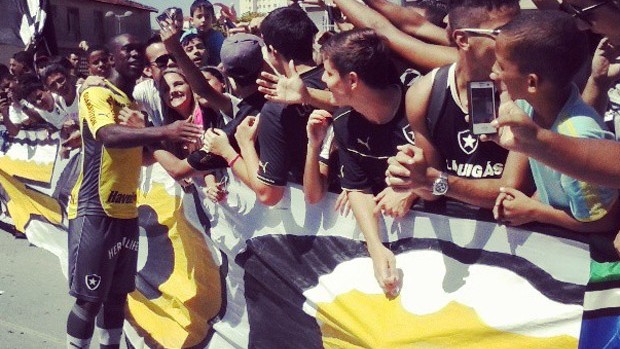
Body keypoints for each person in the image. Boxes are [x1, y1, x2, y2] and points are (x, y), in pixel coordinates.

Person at [65, 34, 203, 349]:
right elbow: (108, 136)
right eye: (126, 49)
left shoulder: (133, 104)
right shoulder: (96, 92)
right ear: (110, 58)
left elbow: (138, 154)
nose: (135, 54)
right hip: (95, 209)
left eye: (138, 50)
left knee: (116, 298)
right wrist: (164, 130)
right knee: (89, 300)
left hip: (127, 211)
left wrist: (163, 146)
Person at [386, 0, 530, 211]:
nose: (520, 40)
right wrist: (411, 178)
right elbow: (431, 192)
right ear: (462, 39)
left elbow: (510, 191)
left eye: (521, 28)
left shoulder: (528, 92)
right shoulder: (423, 94)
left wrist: (435, 181)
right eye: (503, 32)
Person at [490, 11, 619, 232]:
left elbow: (603, 221)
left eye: (501, 66)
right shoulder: (530, 106)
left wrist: (534, 211)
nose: (493, 72)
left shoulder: (577, 135)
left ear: (531, 82)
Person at [318, 28, 421, 295]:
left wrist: (412, 189)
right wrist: (375, 246)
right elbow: (358, 189)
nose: (323, 80)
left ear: (352, 80)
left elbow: (458, 172)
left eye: (328, 73)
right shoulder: (343, 123)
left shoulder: (421, 105)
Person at [239, 7, 326, 206]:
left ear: (272, 52)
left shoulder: (276, 109)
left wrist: (240, 146)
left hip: (316, 217)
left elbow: (269, 194)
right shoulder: (341, 82)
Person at [189, 0, 225, 65]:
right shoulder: (188, 36)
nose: (203, 20)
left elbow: (224, 58)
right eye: (199, 17)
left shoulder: (217, 37)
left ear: (213, 19)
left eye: (207, 16)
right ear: (191, 20)